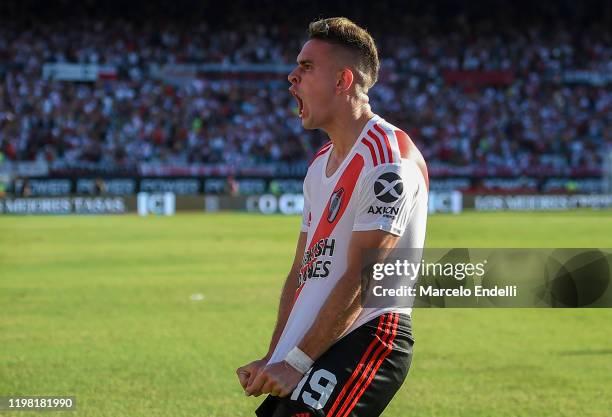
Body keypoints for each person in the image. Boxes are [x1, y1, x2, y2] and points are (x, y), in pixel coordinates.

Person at [237, 17, 429, 417]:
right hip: (312, 346)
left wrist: (296, 362)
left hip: (369, 336)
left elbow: (366, 275)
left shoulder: (386, 159)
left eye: (306, 67)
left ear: (343, 81)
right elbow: (300, 273)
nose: (292, 77)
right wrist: (276, 355)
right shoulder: (320, 165)